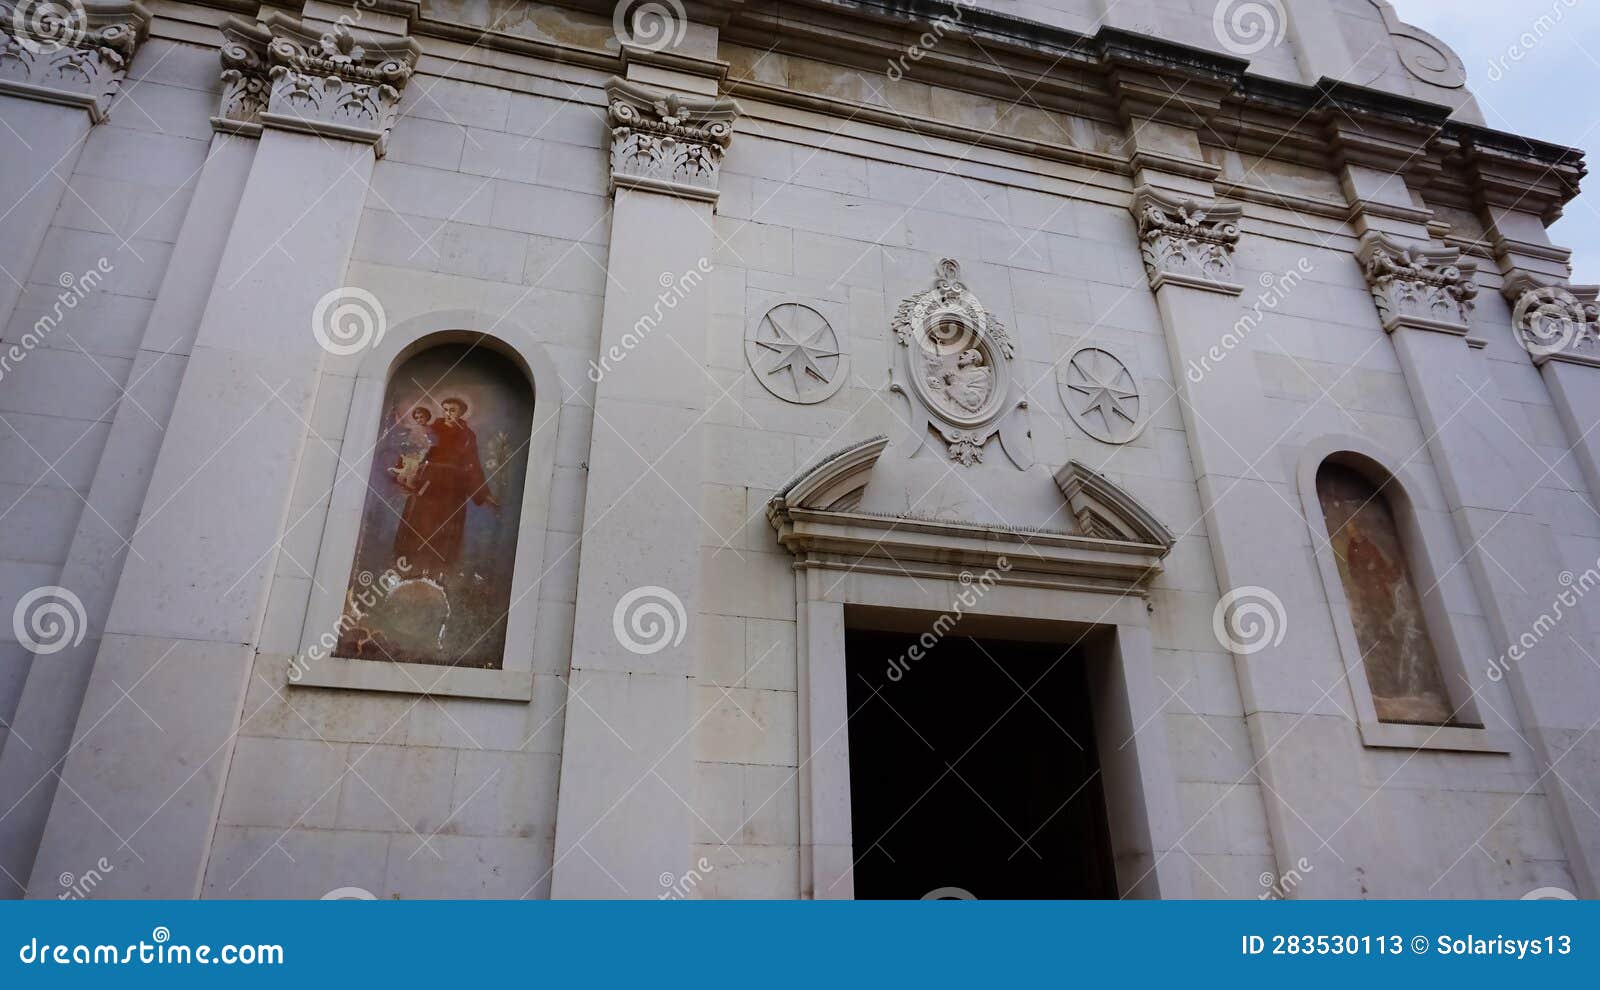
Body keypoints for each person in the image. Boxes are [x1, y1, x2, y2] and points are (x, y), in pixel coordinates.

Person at [393, 396, 499, 575]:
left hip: (453, 487)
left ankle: (437, 573)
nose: (448, 414)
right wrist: (404, 470)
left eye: (452, 410)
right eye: (445, 409)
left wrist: (484, 494)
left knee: (447, 525)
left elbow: (473, 466)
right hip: (429, 482)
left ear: (461, 413)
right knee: (420, 522)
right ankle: (411, 569)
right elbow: (413, 449)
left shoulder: (467, 435)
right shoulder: (433, 429)